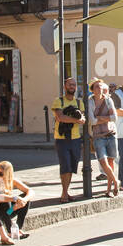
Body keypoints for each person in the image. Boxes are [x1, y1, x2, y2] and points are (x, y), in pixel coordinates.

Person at [0, 160, 34, 243]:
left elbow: (30, 191)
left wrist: (23, 200)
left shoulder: (12, 181)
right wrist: (14, 198)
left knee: (25, 198)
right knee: (4, 198)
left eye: (0, 174)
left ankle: (17, 229)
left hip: (6, 213)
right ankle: (10, 230)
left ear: (7, 175)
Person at [51, 76, 85, 204]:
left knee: (71, 167)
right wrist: (77, 120)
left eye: (74, 85)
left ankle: (66, 191)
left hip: (75, 138)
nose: (72, 87)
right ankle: (64, 193)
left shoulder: (79, 102)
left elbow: (83, 117)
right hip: (62, 139)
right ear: (65, 86)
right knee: (65, 166)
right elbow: (60, 117)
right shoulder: (58, 101)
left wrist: (81, 119)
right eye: (70, 84)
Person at [88, 80, 119, 196]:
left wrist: (99, 118)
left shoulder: (108, 100)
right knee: (103, 161)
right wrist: (106, 118)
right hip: (98, 136)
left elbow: (114, 118)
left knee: (111, 162)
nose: (99, 89)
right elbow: (92, 121)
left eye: (101, 87)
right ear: (92, 89)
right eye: (97, 87)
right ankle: (116, 182)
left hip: (110, 134)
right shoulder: (90, 102)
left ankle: (108, 190)